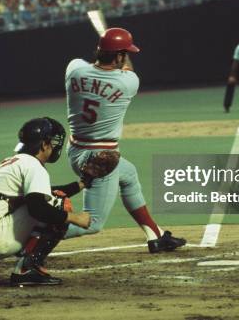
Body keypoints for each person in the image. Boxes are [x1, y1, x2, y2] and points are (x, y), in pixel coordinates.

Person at [63, 27, 186, 253]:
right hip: (100, 157)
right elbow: (126, 69)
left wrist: (106, 51)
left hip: (76, 149)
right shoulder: (128, 82)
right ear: (119, 56)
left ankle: (155, 235)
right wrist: (119, 55)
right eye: (124, 53)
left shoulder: (74, 70)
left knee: (128, 175)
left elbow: (86, 63)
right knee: (92, 223)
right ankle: (27, 240)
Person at [0, 117, 91, 286]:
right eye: (52, 141)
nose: (54, 146)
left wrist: (83, 183)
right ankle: (27, 269)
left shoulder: (13, 162)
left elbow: (44, 193)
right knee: (58, 204)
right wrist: (75, 218)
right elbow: (39, 207)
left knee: (47, 200)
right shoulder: (33, 165)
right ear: (43, 144)